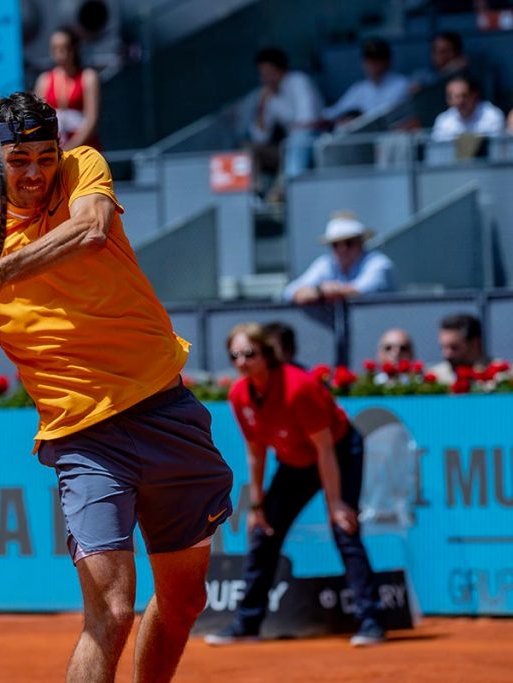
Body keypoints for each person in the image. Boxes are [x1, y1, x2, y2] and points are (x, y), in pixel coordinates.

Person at [0, 92, 233, 680]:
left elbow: (93, 230)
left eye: (45, 157)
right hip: (82, 435)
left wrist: (2, 273)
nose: (35, 173)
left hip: (164, 407)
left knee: (183, 602)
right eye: (20, 161)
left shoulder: (82, 169)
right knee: (113, 611)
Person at [206, 323, 385, 647]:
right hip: (297, 463)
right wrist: (257, 507)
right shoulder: (238, 395)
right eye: (235, 355)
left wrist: (336, 504)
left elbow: (325, 449)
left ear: (267, 355)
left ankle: (370, 621)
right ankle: (247, 625)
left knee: (343, 527)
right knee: (263, 533)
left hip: (339, 452)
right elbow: (256, 454)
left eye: (250, 353)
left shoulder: (298, 388)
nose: (242, 361)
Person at [283, 211, 396, 305]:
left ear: (361, 243)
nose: (342, 249)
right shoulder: (326, 264)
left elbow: (361, 290)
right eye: (335, 244)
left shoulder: (379, 263)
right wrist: (320, 291)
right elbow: (290, 292)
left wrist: (325, 292)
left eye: (349, 243)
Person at [247, 47, 324, 185]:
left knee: (299, 138)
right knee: (249, 149)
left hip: (314, 138)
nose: (265, 79)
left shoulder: (299, 81)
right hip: (287, 145)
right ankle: (255, 195)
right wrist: (262, 107)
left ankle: (290, 186)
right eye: (262, 74)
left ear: (282, 70)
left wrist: (289, 138)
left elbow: (307, 120)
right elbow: (261, 137)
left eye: (269, 73)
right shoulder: (268, 96)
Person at [34, 26, 101, 151]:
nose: (60, 53)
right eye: (55, 49)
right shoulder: (45, 80)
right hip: (56, 148)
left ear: (74, 49)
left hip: (84, 147)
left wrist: (70, 148)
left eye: (64, 48)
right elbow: (39, 119)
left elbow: (91, 119)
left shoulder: (87, 77)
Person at [323, 39, 409, 124]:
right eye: (369, 59)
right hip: (366, 136)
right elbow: (334, 112)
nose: (372, 64)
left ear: (388, 61)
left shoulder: (402, 84)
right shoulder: (359, 88)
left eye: (377, 59)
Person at [431, 76, 506, 142]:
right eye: (453, 97)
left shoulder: (492, 116)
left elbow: (496, 150)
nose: (459, 102)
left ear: (474, 94)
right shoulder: (443, 121)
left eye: (464, 96)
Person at [429, 313, 492, 386]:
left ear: (475, 344)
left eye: (454, 347)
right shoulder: (435, 378)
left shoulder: (501, 377)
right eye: (443, 347)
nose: (447, 355)